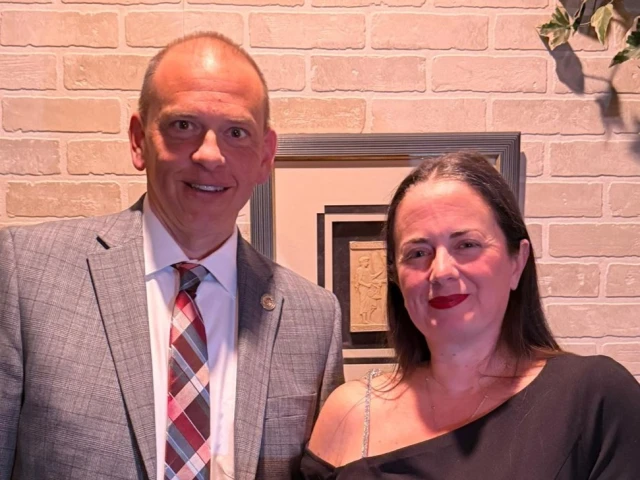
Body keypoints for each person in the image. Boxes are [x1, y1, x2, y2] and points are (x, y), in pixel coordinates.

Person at [0, 32, 343, 480]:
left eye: (236, 133)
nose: (209, 155)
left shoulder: (314, 318)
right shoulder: (27, 274)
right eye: (183, 125)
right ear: (139, 140)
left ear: (265, 156)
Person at [301, 151, 640, 479]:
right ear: (396, 278)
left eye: (466, 245)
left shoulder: (593, 399)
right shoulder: (349, 413)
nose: (441, 271)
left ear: (517, 261)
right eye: (418, 253)